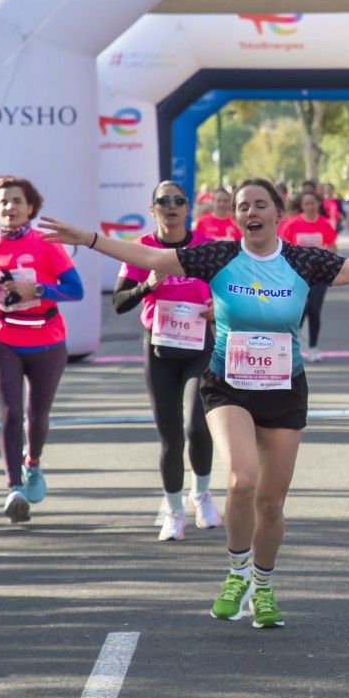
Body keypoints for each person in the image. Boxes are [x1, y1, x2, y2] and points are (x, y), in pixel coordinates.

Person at [37, 178, 349, 630]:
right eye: (243, 207)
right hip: (228, 385)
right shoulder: (219, 256)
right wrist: (87, 239)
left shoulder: (302, 260)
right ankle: (236, 573)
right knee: (242, 479)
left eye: (259, 204)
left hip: (284, 389)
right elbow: (149, 257)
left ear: (277, 213)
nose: (249, 212)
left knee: (271, 502)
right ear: (236, 217)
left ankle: (263, 586)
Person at [0, 176, 84, 523]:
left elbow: (75, 290)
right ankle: (14, 488)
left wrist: (36, 289)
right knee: (10, 411)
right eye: (4, 201)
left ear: (30, 208)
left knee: (36, 415)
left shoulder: (47, 244)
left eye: (17, 201)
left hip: (46, 339)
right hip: (1, 336)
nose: (10, 207)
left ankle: (32, 462)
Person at [112, 181, 219, 542]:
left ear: (188, 208)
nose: (171, 206)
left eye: (178, 201)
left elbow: (228, 289)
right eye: (163, 201)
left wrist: (216, 308)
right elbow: (120, 302)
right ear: (152, 208)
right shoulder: (144, 248)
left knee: (197, 425)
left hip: (200, 345)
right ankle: (174, 511)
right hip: (159, 349)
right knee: (170, 435)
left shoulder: (205, 247)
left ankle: (201, 493)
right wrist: (148, 286)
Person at [280, 189, 340, 363]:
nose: (310, 206)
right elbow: (284, 251)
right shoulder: (292, 225)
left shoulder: (325, 224)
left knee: (314, 310)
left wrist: (329, 252)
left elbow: (333, 248)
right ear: (302, 206)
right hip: (297, 276)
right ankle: (294, 342)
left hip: (319, 275)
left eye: (313, 203)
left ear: (318, 204)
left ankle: (313, 348)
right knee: (300, 310)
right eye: (306, 203)